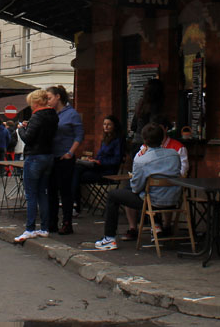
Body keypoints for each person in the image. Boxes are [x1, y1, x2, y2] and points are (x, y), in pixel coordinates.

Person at [95, 122, 181, 250]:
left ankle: (109, 238)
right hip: (173, 199)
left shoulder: (141, 160)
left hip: (152, 201)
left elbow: (136, 187)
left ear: (144, 140)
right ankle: (155, 226)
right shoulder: (174, 154)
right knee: (144, 190)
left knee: (113, 195)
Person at [13, 89, 58, 244]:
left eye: (31, 103)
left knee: (31, 194)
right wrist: (29, 126)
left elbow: (28, 138)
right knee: (42, 193)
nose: (30, 106)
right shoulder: (53, 115)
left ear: (36, 102)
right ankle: (44, 228)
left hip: (35, 157)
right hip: (48, 156)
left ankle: (30, 228)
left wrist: (21, 129)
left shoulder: (37, 116)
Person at [46, 85, 83, 235]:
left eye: (49, 98)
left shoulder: (71, 114)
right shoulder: (50, 114)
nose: (47, 101)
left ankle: (67, 223)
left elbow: (79, 135)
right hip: (51, 156)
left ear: (58, 97)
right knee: (51, 191)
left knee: (65, 191)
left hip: (65, 157)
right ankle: (51, 222)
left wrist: (70, 152)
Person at [75, 115, 124, 214]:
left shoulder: (118, 141)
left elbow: (116, 160)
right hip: (98, 167)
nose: (106, 126)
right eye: (104, 124)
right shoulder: (105, 140)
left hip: (108, 171)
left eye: (109, 124)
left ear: (114, 126)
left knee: (76, 175)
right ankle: (75, 204)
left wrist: (100, 162)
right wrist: (93, 160)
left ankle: (76, 204)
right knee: (77, 168)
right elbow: (100, 156)